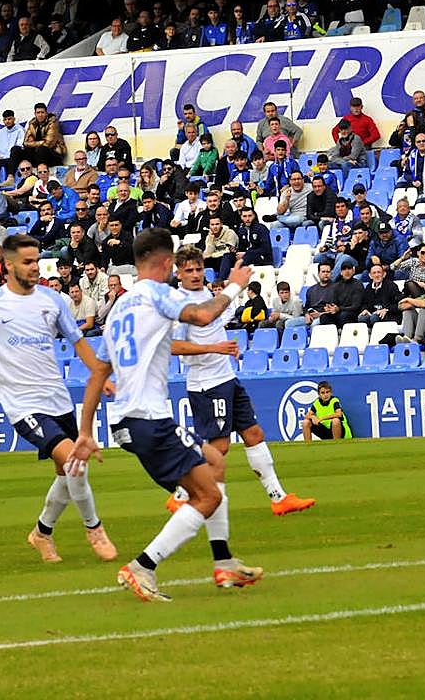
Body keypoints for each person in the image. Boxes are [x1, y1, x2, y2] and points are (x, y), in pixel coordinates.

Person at [65, 229, 263, 602]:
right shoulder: (157, 294)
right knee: (206, 496)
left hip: (126, 419)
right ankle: (143, 566)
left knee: (215, 462)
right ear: (168, 262)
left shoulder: (118, 308)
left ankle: (224, 563)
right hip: (149, 418)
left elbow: (98, 374)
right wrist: (235, 286)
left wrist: (85, 430)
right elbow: (203, 315)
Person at [0, 234, 116, 564]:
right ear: (8, 265)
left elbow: (78, 342)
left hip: (57, 399)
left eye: (37, 261)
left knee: (67, 472)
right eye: (28, 262)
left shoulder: (51, 301)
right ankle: (95, 528)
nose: (35, 267)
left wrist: (99, 376)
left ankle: (41, 533)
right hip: (23, 405)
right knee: (76, 462)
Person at [166, 246, 314, 516]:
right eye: (189, 270)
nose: (196, 274)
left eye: (199, 268)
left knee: (254, 434)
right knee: (219, 446)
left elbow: (214, 325)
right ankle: (181, 493)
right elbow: (172, 346)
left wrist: (224, 347)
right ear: (178, 273)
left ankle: (278, 497)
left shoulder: (205, 295)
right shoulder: (179, 305)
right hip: (207, 384)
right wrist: (214, 349)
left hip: (226, 378)